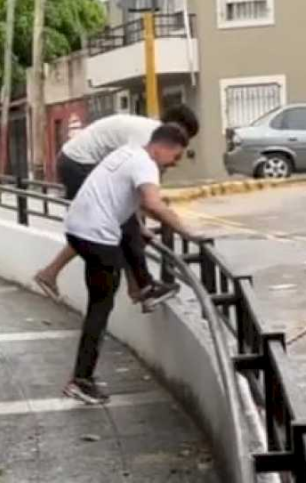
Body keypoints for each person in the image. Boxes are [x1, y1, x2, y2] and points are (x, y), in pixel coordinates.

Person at [61, 125, 201, 404]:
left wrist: (139, 228)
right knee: (100, 308)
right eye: (175, 157)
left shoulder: (127, 152)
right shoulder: (146, 164)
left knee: (100, 301)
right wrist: (191, 233)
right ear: (162, 147)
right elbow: (153, 204)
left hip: (77, 229)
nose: (173, 163)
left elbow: (122, 197)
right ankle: (80, 380)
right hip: (97, 236)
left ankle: (142, 289)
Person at [34, 106, 199, 301]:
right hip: (78, 163)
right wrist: (142, 223)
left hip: (76, 160)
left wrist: (138, 222)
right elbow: (141, 191)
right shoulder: (149, 137)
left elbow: (130, 192)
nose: (181, 146)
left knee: (104, 227)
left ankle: (50, 273)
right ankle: (141, 288)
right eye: (183, 138)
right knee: (111, 227)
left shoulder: (151, 136)